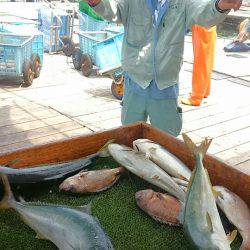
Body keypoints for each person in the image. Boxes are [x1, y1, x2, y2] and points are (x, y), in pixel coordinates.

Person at [84, 0, 242, 137]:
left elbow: (204, 13)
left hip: (165, 86)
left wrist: (220, 5)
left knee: (167, 144)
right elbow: (113, 9)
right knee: (129, 139)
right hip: (134, 83)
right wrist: (96, 2)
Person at [181, 25, 217, 106]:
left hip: (202, 23)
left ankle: (196, 97)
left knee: (201, 61)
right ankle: (204, 91)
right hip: (209, 23)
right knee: (207, 59)